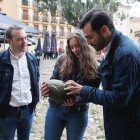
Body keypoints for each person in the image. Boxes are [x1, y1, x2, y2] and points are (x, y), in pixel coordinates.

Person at [64, 9, 140, 140]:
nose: (87, 43)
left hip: (127, 129)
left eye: (90, 37)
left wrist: (83, 90)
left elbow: (118, 99)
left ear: (104, 30)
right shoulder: (112, 49)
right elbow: (102, 86)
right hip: (116, 124)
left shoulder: (125, 54)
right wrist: (78, 97)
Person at [41, 30, 100, 140]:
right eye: (71, 47)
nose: (74, 50)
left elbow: (93, 93)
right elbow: (53, 79)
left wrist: (76, 100)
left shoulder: (95, 66)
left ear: (85, 44)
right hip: (55, 110)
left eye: (77, 46)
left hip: (78, 114)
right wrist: (46, 89)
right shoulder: (62, 59)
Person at [0, 25, 40, 140]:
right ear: (9, 41)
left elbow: (35, 80)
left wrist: (34, 103)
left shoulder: (32, 59)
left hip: (28, 112)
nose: (24, 42)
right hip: (7, 113)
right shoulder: (1, 60)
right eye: (19, 39)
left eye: (25, 38)